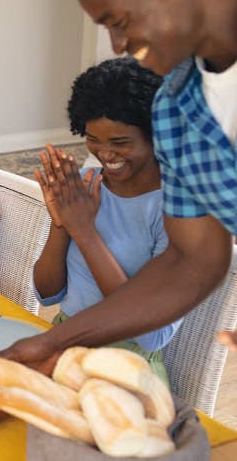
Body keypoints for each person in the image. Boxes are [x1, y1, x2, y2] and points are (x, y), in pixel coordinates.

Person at [0, 0, 236, 374]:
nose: (119, 46)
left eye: (120, 21)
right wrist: (56, 340)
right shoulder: (175, 106)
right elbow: (190, 264)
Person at [33, 58, 182, 383]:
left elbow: (151, 334)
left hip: (128, 368)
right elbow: (47, 294)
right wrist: (61, 226)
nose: (104, 154)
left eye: (120, 142)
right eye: (93, 139)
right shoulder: (85, 184)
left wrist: (85, 232)